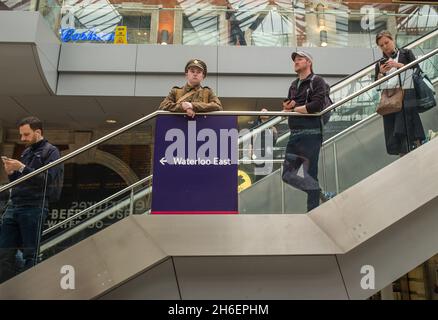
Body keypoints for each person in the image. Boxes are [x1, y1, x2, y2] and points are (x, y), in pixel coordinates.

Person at [0, 116, 62, 283]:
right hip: (15, 205)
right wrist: (11, 173)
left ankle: (30, 288)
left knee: (30, 253)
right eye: (21, 135)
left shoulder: (51, 151)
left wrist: (21, 167)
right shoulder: (27, 152)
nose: (22, 139)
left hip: (34, 206)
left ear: (38, 132)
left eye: (26, 134)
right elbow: (21, 181)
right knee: (4, 251)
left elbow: (47, 180)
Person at [281, 51, 333, 212]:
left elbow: (316, 106)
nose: (296, 62)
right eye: (295, 60)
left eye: (299, 59)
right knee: (288, 175)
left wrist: (295, 108)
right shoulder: (293, 84)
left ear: (309, 62)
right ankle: (317, 191)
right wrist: (288, 109)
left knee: (311, 174)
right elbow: (291, 107)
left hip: (312, 134)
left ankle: (313, 212)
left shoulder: (317, 81)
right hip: (295, 133)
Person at [374, 30, 425, 156]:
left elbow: (417, 71)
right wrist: (381, 74)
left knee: (410, 125)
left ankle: (419, 154)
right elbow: (378, 87)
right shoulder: (380, 63)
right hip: (391, 99)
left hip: (407, 93)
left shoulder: (406, 53)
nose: (385, 46)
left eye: (387, 42)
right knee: (395, 131)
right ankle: (403, 160)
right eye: (381, 45)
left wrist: (398, 65)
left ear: (393, 40)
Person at [251, 108, 278, 182]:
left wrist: (274, 131)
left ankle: (266, 188)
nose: (265, 113)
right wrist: (252, 151)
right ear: (259, 115)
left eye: (266, 112)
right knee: (259, 171)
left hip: (268, 152)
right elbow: (252, 138)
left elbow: (274, 139)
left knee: (268, 172)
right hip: (258, 152)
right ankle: (257, 187)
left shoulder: (271, 125)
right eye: (263, 112)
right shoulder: (256, 124)